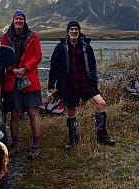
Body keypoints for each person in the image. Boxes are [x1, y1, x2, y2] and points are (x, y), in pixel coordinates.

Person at [48, 20, 115, 148]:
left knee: (102, 104)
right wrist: (51, 85)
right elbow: (54, 66)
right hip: (68, 84)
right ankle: (73, 139)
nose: (74, 31)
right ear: (68, 31)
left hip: (85, 82)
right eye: (71, 29)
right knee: (71, 112)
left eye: (76, 29)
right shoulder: (60, 47)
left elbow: (92, 66)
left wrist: (94, 82)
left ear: (79, 31)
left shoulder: (86, 46)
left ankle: (102, 136)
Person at [1, 9, 42, 157]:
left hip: (29, 79)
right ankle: (14, 145)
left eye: (21, 19)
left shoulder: (33, 36)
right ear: (13, 20)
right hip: (12, 80)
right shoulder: (6, 37)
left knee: (32, 111)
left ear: (24, 21)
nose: (19, 21)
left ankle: (36, 145)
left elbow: (38, 56)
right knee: (15, 113)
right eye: (16, 19)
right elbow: (3, 57)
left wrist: (25, 68)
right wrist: (12, 70)